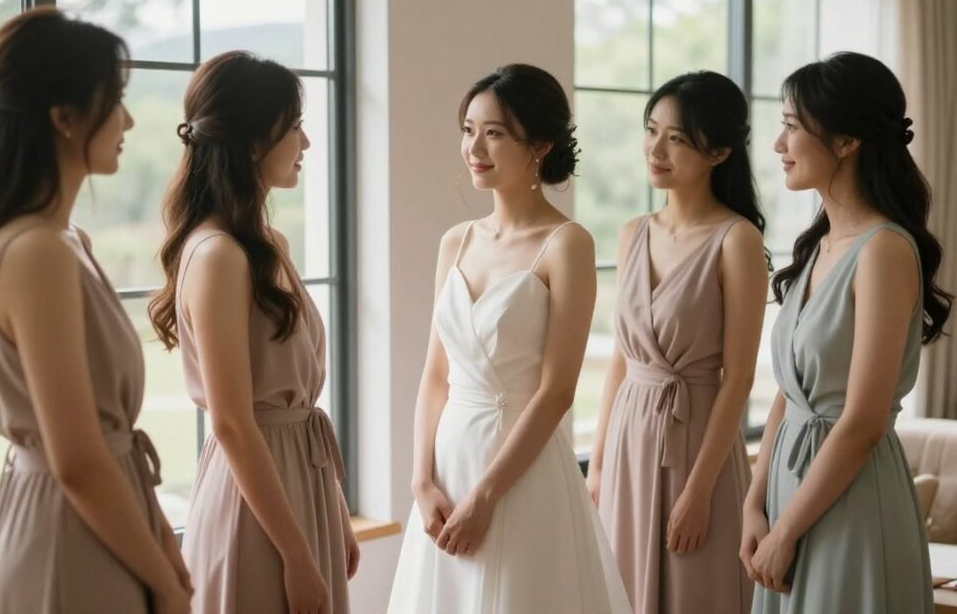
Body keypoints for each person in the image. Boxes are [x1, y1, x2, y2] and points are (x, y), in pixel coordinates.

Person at [0, 8, 191, 614]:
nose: (128, 120)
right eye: (117, 99)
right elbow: (76, 460)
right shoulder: (37, 252)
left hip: (103, 524)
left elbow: (111, 442)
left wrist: (161, 540)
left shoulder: (66, 241)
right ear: (64, 117)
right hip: (69, 537)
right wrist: (162, 580)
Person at [387, 63, 631, 613]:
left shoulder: (567, 244)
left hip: (519, 472)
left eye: (494, 132)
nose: (475, 146)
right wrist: (421, 481)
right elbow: (435, 376)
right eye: (469, 130)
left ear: (540, 145)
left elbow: (557, 391)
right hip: (448, 467)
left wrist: (486, 496)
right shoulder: (456, 241)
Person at [149, 51, 358, 614]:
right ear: (249, 144)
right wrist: (295, 553)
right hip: (256, 502)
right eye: (294, 128)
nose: (307, 144)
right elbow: (234, 422)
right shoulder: (218, 255)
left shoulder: (269, 246)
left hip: (300, 486)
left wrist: (333, 509)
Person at [745, 52, 952, 614]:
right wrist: (755, 503)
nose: (777, 144)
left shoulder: (884, 250)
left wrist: (787, 530)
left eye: (790, 126)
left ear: (845, 141)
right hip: (789, 490)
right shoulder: (815, 249)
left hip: (850, 496)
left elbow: (861, 422)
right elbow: (790, 398)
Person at [588, 71, 768, 614]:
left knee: (696, 593)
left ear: (718, 151)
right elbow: (621, 359)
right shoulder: (632, 232)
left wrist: (699, 491)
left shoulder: (736, 240)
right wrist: (596, 466)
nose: (656, 148)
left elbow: (738, 378)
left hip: (696, 446)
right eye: (651, 130)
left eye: (677, 138)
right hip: (627, 442)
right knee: (621, 589)